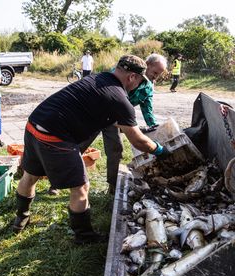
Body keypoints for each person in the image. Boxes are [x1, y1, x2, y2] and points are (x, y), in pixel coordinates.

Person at [13, 54, 169, 244]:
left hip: (35, 123)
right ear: (132, 77)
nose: (138, 85)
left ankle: (21, 218)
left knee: (30, 176)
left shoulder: (99, 77)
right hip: (55, 137)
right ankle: (84, 236)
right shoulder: (120, 99)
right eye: (139, 80)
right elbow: (138, 141)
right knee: (81, 187)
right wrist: (160, 150)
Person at [78, 53, 168, 194]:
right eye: (155, 72)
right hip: (98, 113)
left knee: (115, 150)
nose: (156, 77)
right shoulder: (127, 73)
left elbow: (147, 108)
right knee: (79, 145)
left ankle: (113, 186)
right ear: (147, 65)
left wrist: (153, 126)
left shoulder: (148, 87)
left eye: (159, 74)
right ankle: (56, 181)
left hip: (116, 120)